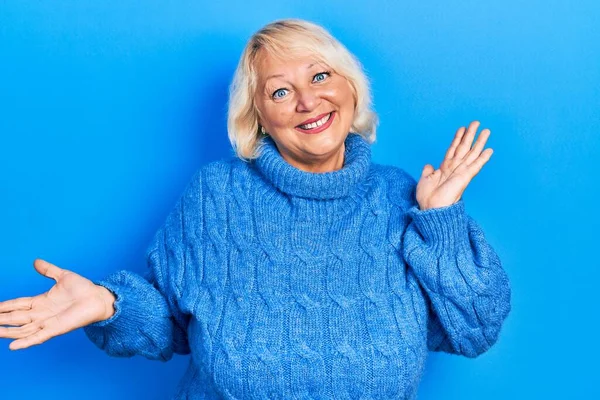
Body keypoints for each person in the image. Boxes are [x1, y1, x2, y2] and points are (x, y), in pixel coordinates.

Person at [0, 19, 511, 399]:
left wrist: (441, 219)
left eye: (320, 76)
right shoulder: (215, 196)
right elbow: (175, 326)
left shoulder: (401, 198)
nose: (308, 102)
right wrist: (109, 304)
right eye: (281, 91)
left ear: (351, 88)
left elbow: (474, 329)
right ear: (259, 116)